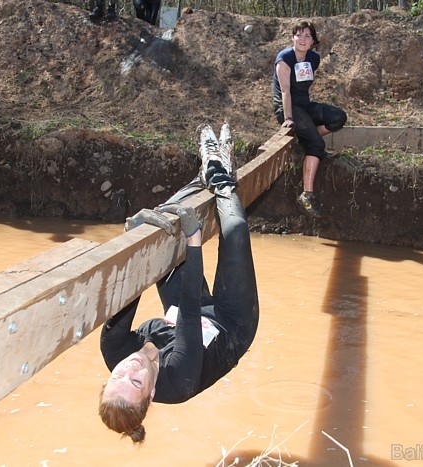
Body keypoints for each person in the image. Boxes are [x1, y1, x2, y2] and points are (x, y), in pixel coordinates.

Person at [98, 123, 259, 444]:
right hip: (230, 325)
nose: (128, 368)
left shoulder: (113, 352)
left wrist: (135, 241)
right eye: (135, 382)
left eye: (118, 376)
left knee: (161, 223)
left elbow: (129, 295)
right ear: (152, 392)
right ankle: (222, 175)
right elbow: (188, 317)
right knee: (236, 230)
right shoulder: (179, 381)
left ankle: (207, 174)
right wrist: (194, 239)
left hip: (181, 313)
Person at [272, 20, 347, 218]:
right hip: (286, 107)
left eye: (307, 36)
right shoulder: (284, 59)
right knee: (316, 144)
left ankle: (305, 137)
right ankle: (307, 194)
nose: (303, 39)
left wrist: (305, 115)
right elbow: (286, 92)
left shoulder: (314, 58)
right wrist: (288, 118)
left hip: (304, 105)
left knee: (338, 117)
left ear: (313, 41)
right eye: (299, 35)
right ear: (292, 37)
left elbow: (305, 84)